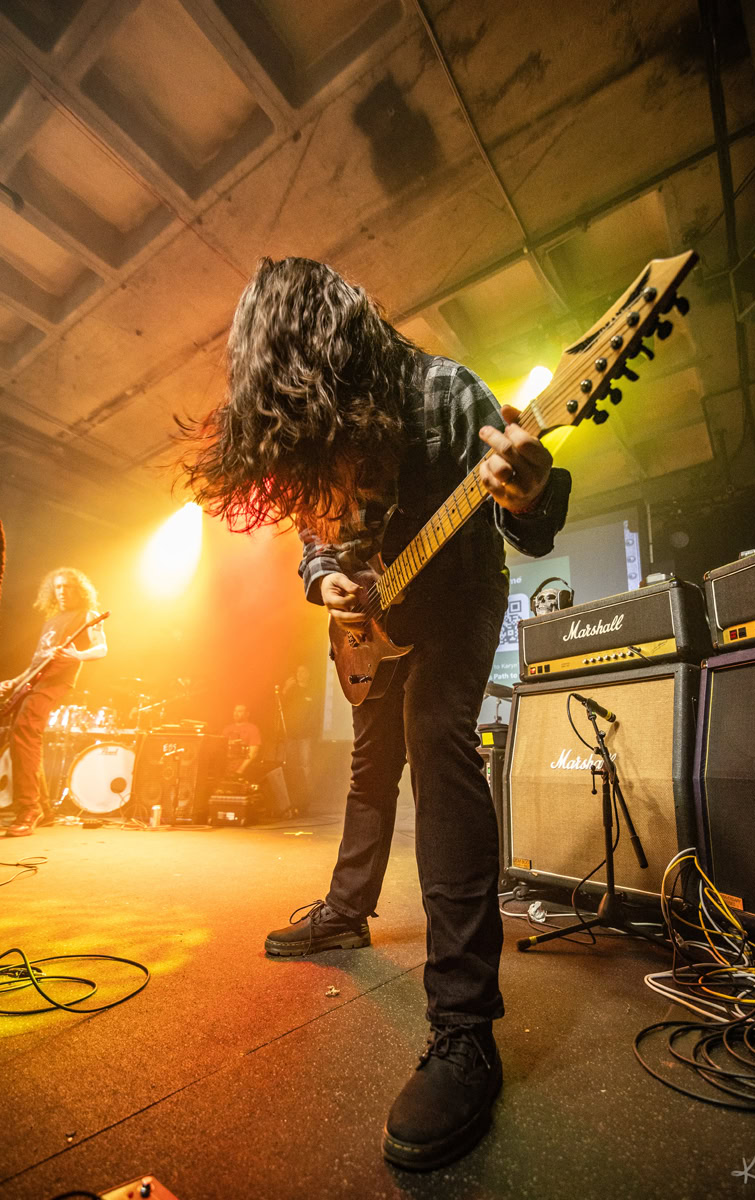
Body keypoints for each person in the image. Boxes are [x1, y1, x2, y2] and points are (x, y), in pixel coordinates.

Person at [178, 257, 571, 1170]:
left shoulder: (445, 394)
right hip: (376, 618)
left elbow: (527, 522)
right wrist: (328, 580)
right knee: (369, 766)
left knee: (437, 743)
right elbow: (315, 535)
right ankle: (347, 910)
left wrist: (529, 493)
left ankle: (465, 1030)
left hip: (461, 589)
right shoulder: (316, 438)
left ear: (343, 364)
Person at [0, 568, 107, 836]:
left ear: (79, 590)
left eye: (68, 586)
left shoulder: (87, 615)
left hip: (56, 683)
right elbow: (37, 664)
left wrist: (77, 656)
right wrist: (14, 681)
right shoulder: (52, 622)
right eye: (58, 587)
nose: (62, 592)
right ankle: (44, 810)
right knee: (20, 739)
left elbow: (102, 648)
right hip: (33, 682)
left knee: (24, 731)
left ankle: (29, 809)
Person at [280, 665, 316, 815]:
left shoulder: (313, 691)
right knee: (290, 765)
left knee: (305, 766)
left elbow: (315, 714)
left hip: (305, 736)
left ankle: (305, 798)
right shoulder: (292, 690)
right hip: (291, 735)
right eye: (298, 671)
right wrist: (286, 689)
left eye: (303, 671)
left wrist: (309, 729)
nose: (300, 674)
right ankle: (290, 798)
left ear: (308, 674)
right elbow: (280, 706)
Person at [222, 703, 262, 778]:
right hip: (225, 768)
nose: (236, 713)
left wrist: (240, 770)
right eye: (235, 711)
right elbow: (220, 749)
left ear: (247, 714)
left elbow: (253, 753)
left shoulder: (252, 729)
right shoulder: (227, 729)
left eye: (240, 711)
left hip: (242, 769)